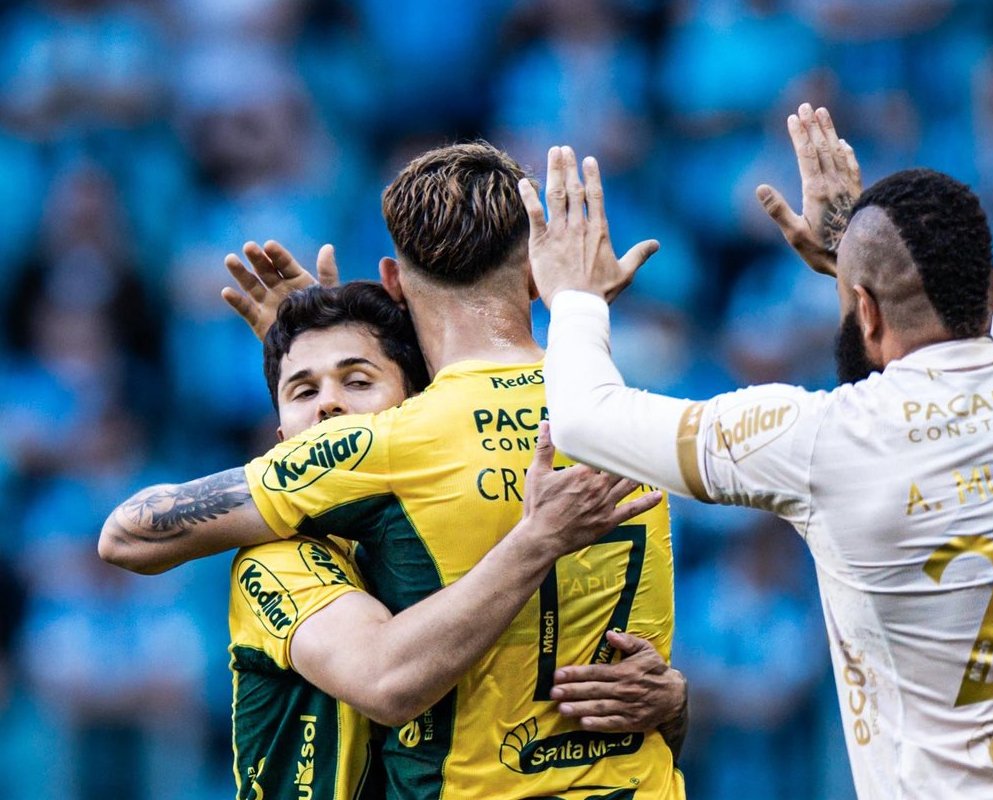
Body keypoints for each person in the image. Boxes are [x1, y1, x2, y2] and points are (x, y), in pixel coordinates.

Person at [525, 105, 993, 798]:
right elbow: (983, 330)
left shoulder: (824, 442)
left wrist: (574, 298)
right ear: (992, 290)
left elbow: (584, 417)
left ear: (862, 311)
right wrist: (855, 263)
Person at [99, 143, 686, 799]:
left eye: (354, 380)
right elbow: (638, 696)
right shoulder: (638, 420)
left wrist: (312, 434)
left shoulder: (388, 444)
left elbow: (126, 536)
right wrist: (675, 703)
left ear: (394, 281)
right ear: (534, 275)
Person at [218, 280, 677, 799]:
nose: (328, 406)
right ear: (279, 439)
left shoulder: (438, 539)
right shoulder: (277, 560)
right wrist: (537, 541)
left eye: (359, 381)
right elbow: (387, 681)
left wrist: (672, 703)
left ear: (416, 407)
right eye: (303, 391)